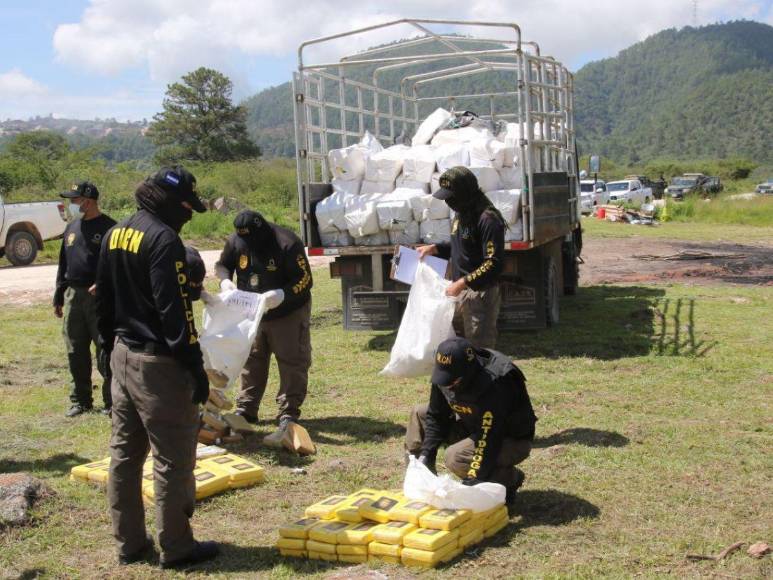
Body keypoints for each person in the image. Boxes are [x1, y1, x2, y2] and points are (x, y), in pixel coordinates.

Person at [95, 166, 219, 569]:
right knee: (172, 458)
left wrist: (104, 354)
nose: (189, 215)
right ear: (168, 201)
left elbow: (104, 298)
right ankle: (178, 547)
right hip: (158, 365)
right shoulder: (164, 239)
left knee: (125, 455)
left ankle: (130, 543)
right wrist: (195, 366)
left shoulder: (117, 232)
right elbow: (174, 311)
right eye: (186, 207)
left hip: (122, 353)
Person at [214, 209, 313, 446]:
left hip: (287, 310)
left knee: (291, 359)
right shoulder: (237, 240)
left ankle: (288, 412)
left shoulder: (286, 242)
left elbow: (305, 279)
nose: (249, 245)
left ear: (263, 231)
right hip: (251, 312)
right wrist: (225, 281)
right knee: (252, 358)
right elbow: (222, 265)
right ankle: (247, 409)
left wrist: (282, 294)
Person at [405, 337, 537, 505]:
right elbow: (436, 415)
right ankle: (421, 484)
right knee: (419, 413)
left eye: (453, 380)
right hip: (473, 425)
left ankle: (507, 480)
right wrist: (426, 456)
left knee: (456, 457)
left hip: (508, 438)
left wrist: (472, 481)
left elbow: (490, 436)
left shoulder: (496, 382)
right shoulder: (448, 372)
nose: (448, 385)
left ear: (468, 371)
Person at [417, 166, 505, 349]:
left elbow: (493, 263)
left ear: (464, 192)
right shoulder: (462, 213)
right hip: (459, 291)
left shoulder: (488, 218)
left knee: (479, 348)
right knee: (459, 348)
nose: (448, 201)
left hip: (479, 294)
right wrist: (436, 249)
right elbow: (462, 247)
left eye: (451, 196)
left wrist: (462, 283)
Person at [54, 181, 116, 417]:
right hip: (73, 296)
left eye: (75, 199)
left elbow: (117, 264)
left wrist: (102, 284)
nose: (72, 204)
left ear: (87, 201)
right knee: (75, 349)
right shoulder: (72, 228)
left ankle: (112, 402)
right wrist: (59, 295)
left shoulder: (111, 228)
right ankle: (81, 400)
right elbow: (63, 264)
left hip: (98, 298)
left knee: (105, 348)